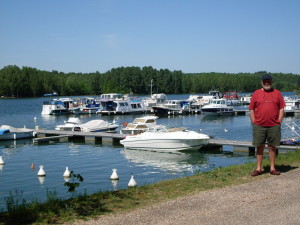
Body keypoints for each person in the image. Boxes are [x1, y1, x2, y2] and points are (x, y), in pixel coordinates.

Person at [248, 74, 286, 176]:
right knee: (259, 146)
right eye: (265, 81)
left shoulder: (277, 93)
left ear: (271, 82)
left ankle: (272, 168)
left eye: (268, 81)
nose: (266, 83)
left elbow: (281, 108)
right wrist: (253, 120)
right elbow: (251, 108)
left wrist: (279, 120)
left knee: (272, 147)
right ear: (262, 82)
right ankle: (259, 168)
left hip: (274, 125)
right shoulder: (256, 93)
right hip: (259, 125)